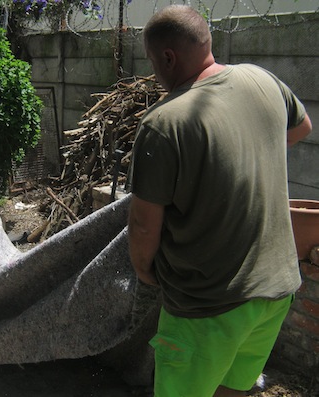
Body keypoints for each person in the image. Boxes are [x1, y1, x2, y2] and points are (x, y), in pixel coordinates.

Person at [127, 5, 312, 397]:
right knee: (232, 391)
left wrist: (144, 271)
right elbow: (301, 127)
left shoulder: (164, 124)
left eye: (151, 62)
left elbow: (144, 225)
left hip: (208, 307)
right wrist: (246, 154)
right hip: (275, 290)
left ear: (167, 58)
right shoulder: (261, 78)